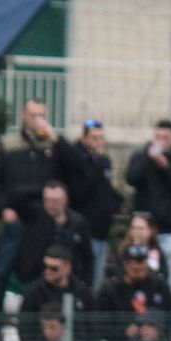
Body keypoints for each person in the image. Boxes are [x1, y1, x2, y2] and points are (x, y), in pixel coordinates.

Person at [0, 99, 63, 284]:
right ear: (23, 115)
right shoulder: (8, 143)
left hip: (43, 216)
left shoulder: (51, 143)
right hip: (16, 215)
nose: (37, 120)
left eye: (41, 116)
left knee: (41, 267)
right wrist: (3, 209)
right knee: (3, 268)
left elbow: (66, 173)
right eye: (33, 115)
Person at [125, 120, 171, 294]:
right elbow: (131, 178)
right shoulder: (141, 157)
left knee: (169, 277)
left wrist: (167, 169)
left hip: (165, 231)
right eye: (158, 137)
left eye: (165, 137)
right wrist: (148, 159)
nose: (161, 141)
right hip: (142, 232)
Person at [64, 118, 123, 280]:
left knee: (97, 278)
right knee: (84, 277)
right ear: (84, 139)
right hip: (85, 227)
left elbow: (105, 188)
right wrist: (96, 163)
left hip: (102, 228)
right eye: (94, 138)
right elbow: (79, 191)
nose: (99, 142)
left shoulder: (104, 160)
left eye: (101, 138)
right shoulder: (77, 158)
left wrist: (115, 202)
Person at [15, 180, 94, 289]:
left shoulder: (78, 223)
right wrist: (41, 190)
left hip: (67, 280)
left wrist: (86, 283)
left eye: (55, 201)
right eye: (47, 200)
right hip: (36, 278)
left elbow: (87, 256)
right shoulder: (35, 216)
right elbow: (17, 197)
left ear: (65, 200)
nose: (51, 204)